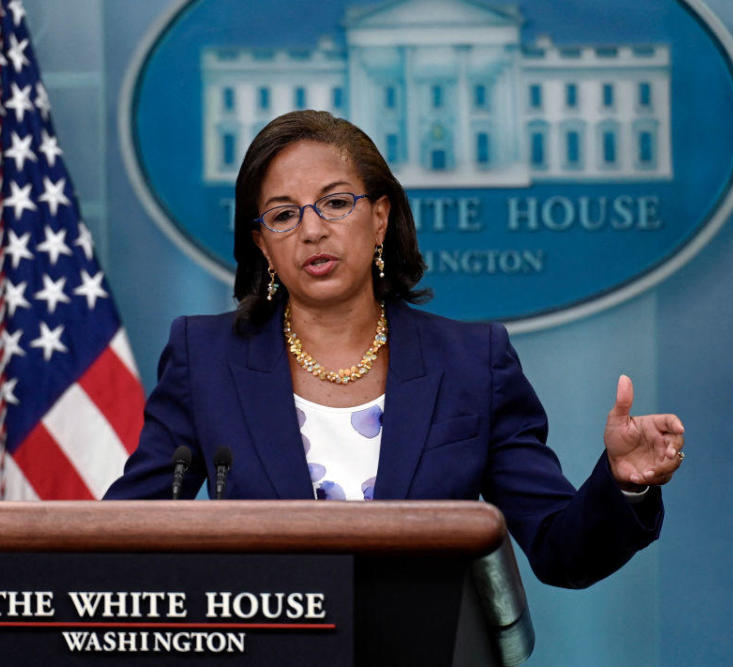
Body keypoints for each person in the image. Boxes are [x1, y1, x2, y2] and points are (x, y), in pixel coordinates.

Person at [105, 110, 685, 588]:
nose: (312, 230)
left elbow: (563, 552)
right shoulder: (204, 359)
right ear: (261, 244)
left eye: (335, 203)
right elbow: (122, 538)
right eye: (284, 215)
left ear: (380, 217)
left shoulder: (471, 364)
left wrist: (623, 481)